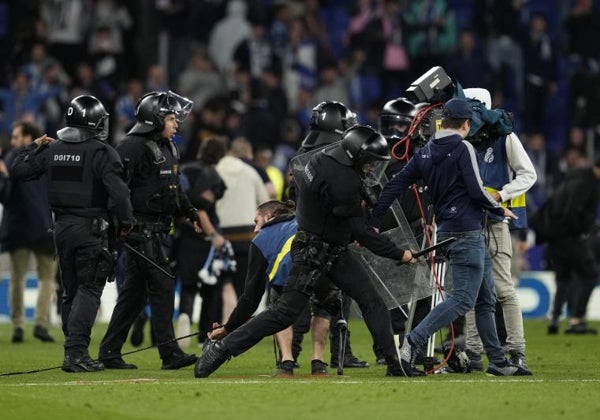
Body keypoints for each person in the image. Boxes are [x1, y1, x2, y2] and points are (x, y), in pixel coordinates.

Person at [195, 124, 417, 378]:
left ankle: (394, 364)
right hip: (315, 252)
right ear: (358, 156)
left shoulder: (322, 159)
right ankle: (222, 349)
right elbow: (363, 235)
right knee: (284, 314)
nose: (371, 168)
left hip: (327, 246)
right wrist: (400, 254)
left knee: (371, 301)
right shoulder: (345, 183)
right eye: (370, 162)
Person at [370, 98, 531, 377]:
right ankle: (411, 344)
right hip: (468, 231)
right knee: (463, 299)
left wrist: (374, 221)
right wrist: (499, 207)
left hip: (447, 230)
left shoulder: (426, 152)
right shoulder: (463, 147)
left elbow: (394, 185)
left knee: (484, 298)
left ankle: (497, 361)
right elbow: (475, 189)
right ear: (467, 123)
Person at [11, 95, 134, 372]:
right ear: (95, 122)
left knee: (71, 292)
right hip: (91, 229)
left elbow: (19, 170)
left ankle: (72, 352)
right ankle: (76, 354)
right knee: (90, 290)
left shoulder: (52, 150)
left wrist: (33, 144)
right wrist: (126, 224)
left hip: (61, 228)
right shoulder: (102, 152)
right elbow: (119, 195)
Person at [98, 90, 201, 370]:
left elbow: (174, 188)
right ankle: (169, 353)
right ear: (155, 119)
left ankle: (109, 352)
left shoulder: (169, 147)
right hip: (139, 231)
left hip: (158, 230)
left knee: (134, 295)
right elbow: (114, 190)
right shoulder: (131, 147)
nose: (176, 123)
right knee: (164, 284)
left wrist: (189, 211)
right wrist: (122, 225)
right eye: (171, 117)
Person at [462, 87, 538, 371]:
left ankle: (516, 350)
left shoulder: (505, 136)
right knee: (470, 291)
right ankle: (473, 353)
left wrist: (501, 194)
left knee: (502, 289)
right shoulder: (462, 138)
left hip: (494, 222)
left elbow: (529, 174)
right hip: (468, 222)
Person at [291, 101, 370, 371]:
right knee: (335, 298)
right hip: (333, 233)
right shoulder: (337, 153)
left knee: (299, 295)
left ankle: (291, 354)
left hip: (305, 232)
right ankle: (341, 353)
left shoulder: (304, 150)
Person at [208, 199, 300, 375]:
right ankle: (318, 361)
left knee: (278, 307)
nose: (255, 229)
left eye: (256, 222)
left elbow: (251, 297)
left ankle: (287, 359)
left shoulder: (261, 239)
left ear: (268, 216)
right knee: (324, 310)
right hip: (322, 276)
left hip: (289, 287)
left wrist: (228, 327)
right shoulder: (303, 223)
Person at [0, 120, 57, 344]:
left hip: (18, 226)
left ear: (27, 138)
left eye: (16, 137)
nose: (13, 142)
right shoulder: (48, 157)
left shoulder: (13, 158)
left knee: (17, 277)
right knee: (47, 278)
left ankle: (18, 325)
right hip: (44, 225)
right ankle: (41, 324)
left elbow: (4, 194)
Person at [530, 156, 600, 336]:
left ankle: (554, 318)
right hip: (569, 236)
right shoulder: (587, 183)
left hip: (554, 236)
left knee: (563, 278)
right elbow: (572, 211)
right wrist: (582, 231)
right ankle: (576, 320)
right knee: (590, 274)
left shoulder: (573, 177)